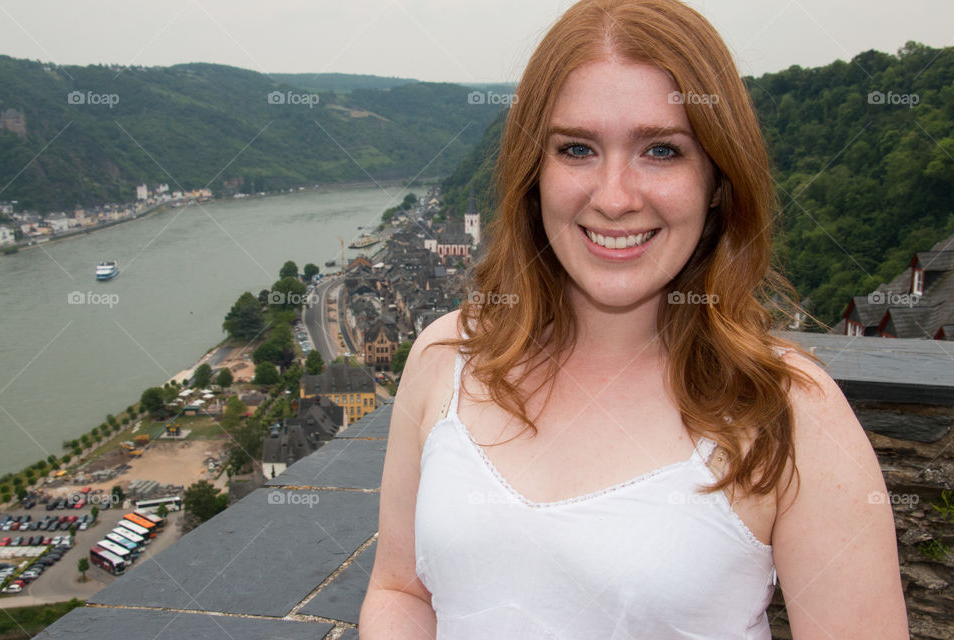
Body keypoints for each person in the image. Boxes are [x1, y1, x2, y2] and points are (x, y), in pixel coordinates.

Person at [360, 0, 909, 637]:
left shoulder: (790, 412)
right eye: (577, 149)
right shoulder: (446, 357)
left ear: (718, 180)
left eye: (661, 150)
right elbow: (401, 590)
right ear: (534, 175)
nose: (615, 197)